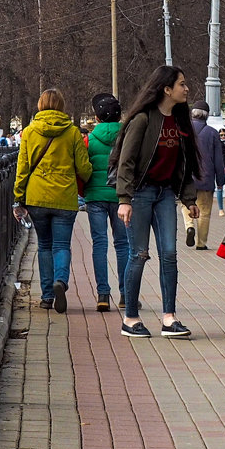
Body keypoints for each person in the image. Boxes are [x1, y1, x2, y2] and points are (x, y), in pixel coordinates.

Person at [113, 65, 201, 338]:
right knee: (138, 254)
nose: (186, 89)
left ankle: (169, 318)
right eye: (181, 84)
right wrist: (124, 199)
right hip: (140, 194)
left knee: (169, 254)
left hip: (165, 194)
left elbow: (184, 165)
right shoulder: (142, 119)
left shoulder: (180, 121)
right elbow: (125, 162)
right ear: (166, 89)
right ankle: (130, 318)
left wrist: (189, 198)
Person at [13, 88, 93, 313]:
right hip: (65, 198)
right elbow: (83, 167)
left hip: (37, 198)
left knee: (44, 245)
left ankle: (47, 296)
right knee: (61, 245)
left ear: (40, 105)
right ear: (61, 106)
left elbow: (23, 168)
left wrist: (19, 197)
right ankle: (61, 281)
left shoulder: (29, 132)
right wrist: (87, 179)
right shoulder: (72, 132)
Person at [81, 93, 131, 312]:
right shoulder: (128, 137)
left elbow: (83, 168)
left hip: (95, 198)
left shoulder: (88, 140)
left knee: (99, 245)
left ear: (97, 117)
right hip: (121, 197)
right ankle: (126, 294)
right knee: (123, 245)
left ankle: (103, 294)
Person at [183, 100, 225, 250]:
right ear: (207, 115)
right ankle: (201, 243)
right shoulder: (213, 133)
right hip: (206, 179)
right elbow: (218, 160)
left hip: (186, 178)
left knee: (185, 205)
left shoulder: (183, 130)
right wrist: (220, 180)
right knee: (204, 211)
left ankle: (189, 226)